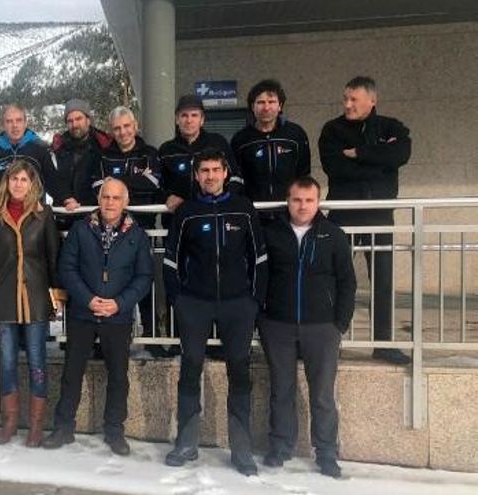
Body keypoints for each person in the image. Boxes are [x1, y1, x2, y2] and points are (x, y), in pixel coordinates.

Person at [163, 148, 267, 475]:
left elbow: (260, 257)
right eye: (203, 171)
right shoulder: (187, 212)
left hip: (238, 304)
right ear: (196, 176)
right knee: (191, 367)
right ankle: (186, 442)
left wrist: (254, 300)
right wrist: (177, 299)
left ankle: (242, 449)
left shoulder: (243, 208)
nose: (210, 176)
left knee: (239, 370)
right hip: (195, 302)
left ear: (225, 173)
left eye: (215, 170)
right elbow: (170, 259)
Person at [43, 178, 153, 456]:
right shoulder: (81, 230)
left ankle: (115, 431)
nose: (110, 203)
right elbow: (67, 269)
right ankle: (63, 428)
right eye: (106, 197)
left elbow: (143, 277)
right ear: (99, 199)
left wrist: (119, 303)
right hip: (83, 312)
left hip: (117, 316)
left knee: (118, 376)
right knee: (71, 372)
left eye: (116, 198)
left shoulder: (137, 235)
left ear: (125, 202)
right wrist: (88, 299)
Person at [260, 176, 356, 478]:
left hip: (322, 327)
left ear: (318, 202)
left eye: (309, 200)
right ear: (288, 201)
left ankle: (326, 452)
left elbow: (347, 282)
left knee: (323, 394)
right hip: (278, 324)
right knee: (281, 390)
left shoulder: (333, 235)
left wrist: (339, 323)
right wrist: (262, 316)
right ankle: (279, 446)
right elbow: (259, 275)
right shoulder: (271, 234)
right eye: (297, 200)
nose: (302, 206)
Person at [0, 159, 65, 447]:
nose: (19, 184)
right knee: (8, 361)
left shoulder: (43, 214)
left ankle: (36, 424)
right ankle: (10, 420)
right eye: (14, 180)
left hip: (35, 298)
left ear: (32, 183)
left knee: (37, 360)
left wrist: (57, 292)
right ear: (6, 183)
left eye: (24, 179)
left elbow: (54, 255)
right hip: (3, 299)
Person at [319, 76, 412, 365]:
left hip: (379, 216)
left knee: (382, 280)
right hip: (342, 216)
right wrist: (380, 163)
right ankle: (330, 341)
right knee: (335, 280)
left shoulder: (391, 127)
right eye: (345, 98)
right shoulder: (332, 130)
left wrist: (359, 153)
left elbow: (401, 154)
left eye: (354, 99)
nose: (347, 104)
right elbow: (335, 168)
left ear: (372, 100)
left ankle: (383, 343)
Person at [91, 106, 165, 355]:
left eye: (126, 126)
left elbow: (153, 183)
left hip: (141, 230)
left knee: (144, 283)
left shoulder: (150, 154)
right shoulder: (103, 156)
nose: (122, 132)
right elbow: (98, 188)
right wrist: (133, 183)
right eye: (117, 128)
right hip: (110, 232)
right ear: (112, 131)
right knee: (111, 286)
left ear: (135, 126)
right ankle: (109, 341)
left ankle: (153, 337)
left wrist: (117, 184)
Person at [231, 79, 311, 209]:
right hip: (254, 211)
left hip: (288, 211)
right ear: (252, 106)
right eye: (261, 102)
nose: (266, 107)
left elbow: (303, 174)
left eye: (271, 102)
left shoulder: (295, 135)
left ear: (280, 106)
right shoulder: (241, 139)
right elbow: (235, 178)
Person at [158, 95, 243, 213]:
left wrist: (224, 198)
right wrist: (167, 197)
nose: (189, 120)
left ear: (202, 120)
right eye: (184, 115)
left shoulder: (217, 143)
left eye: (194, 115)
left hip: (215, 213)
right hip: (178, 216)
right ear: (177, 119)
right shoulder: (166, 150)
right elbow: (158, 185)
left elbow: (236, 177)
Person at [0, 104, 61, 207]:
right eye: (9, 121)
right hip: (1, 215)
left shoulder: (40, 151)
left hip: (33, 215)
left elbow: (54, 184)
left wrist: (66, 199)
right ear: (3, 125)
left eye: (18, 120)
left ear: (25, 123)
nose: (14, 125)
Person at [52, 98, 113, 210]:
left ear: (88, 120)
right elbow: (53, 180)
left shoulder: (104, 146)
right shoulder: (58, 148)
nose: (74, 124)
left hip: (94, 213)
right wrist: (66, 198)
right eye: (70, 121)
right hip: (65, 212)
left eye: (79, 119)